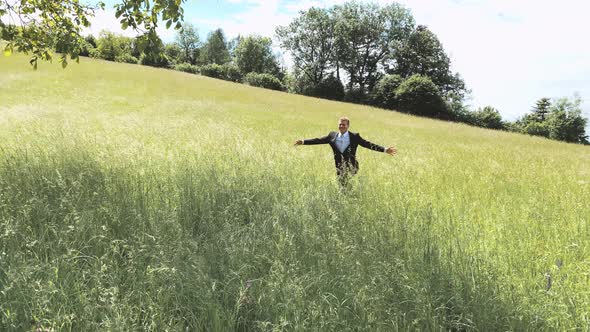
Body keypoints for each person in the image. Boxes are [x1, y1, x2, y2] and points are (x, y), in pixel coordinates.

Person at [294, 117, 397, 187]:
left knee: (350, 183)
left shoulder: (354, 136)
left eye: (344, 124)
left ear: (348, 126)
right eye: (340, 124)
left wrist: (384, 149)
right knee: (342, 184)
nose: (341, 126)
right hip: (339, 166)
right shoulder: (332, 136)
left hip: (352, 166)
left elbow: (367, 144)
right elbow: (318, 140)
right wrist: (303, 142)